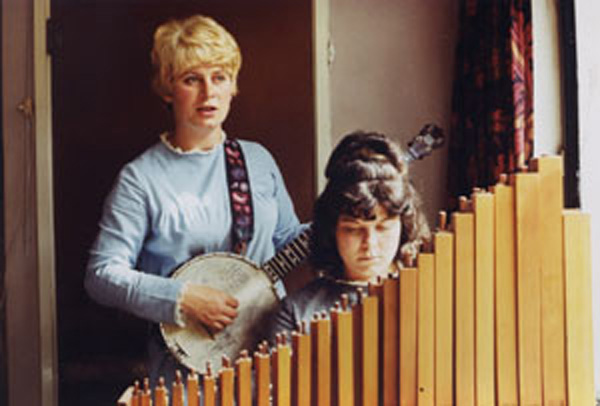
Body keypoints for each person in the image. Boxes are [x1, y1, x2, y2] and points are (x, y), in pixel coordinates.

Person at [84, 14, 304, 383]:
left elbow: (289, 239)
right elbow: (101, 275)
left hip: (265, 354)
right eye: (191, 79)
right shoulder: (140, 179)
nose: (208, 92)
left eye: (220, 77)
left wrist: (345, 218)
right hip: (186, 370)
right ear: (167, 89)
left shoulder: (257, 160)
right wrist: (182, 298)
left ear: (233, 86)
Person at [266, 131, 431, 341]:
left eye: (383, 228)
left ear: (403, 226)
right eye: (353, 229)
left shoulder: (431, 294)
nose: (370, 244)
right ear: (331, 230)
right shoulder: (295, 312)